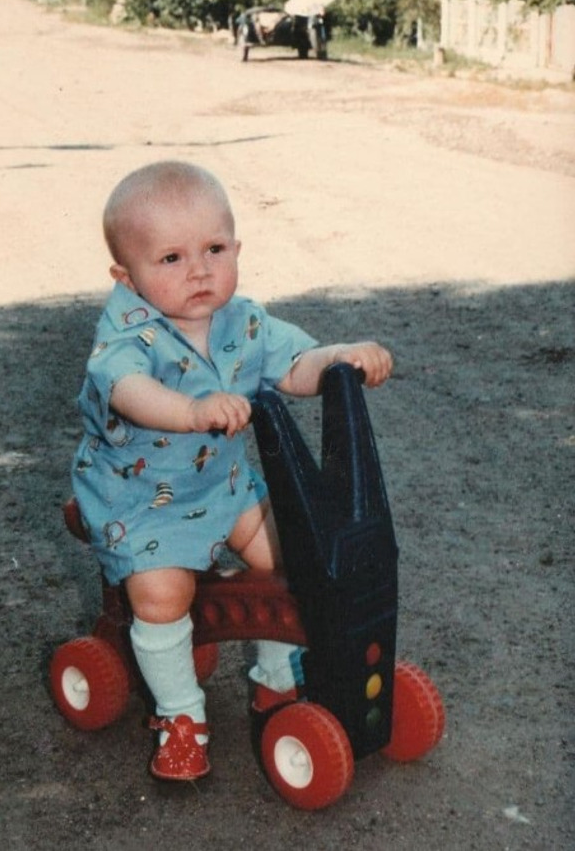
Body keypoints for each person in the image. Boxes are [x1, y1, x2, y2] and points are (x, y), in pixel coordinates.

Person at [72, 160, 392, 781]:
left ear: (236, 249)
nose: (198, 270)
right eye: (171, 258)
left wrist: (340, 359)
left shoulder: (244, 321)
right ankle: (180, 716)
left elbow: (295, 365)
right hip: (141, 504)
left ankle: (278, 677)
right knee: (162, 594)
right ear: (127, 278)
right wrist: (191, 411)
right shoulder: (125, 341)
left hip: (222, 488)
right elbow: (131, 392)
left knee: (294, 556)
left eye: (214, 250)